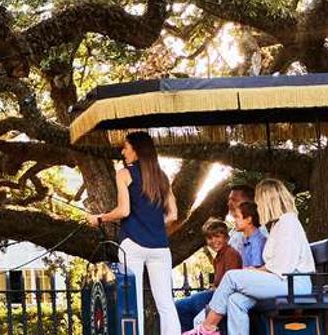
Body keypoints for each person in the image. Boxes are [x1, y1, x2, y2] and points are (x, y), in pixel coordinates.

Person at [188, 179, 314, 335]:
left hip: (294, 283)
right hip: (282, 280)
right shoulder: (277, 224)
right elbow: (274, 264)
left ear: (269, 200)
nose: (257, 206)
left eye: (259, 201)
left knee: (232, 277)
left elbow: (281, 268)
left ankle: (206, 328)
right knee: (236, 300)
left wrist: (250, 273)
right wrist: (252, 271)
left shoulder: (288, 222)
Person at [88, 131, 182, 335]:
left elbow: (124, 211)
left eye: (126, 148)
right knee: (166, 305)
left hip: (133, 244)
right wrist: (154, 223)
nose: (123, 152)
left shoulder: (124, 173)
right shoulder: (161, 176)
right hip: (160, 247)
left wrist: (100, 218)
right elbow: (173, 214)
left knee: (133, 303)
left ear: (137, 150)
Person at [176, 218, 243, 331]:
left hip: (223, 296)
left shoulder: (231, 254)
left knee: (191, 306)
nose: (213, 241)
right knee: (180, 305)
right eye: (209, 238)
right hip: (215, 293)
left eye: (217, 236)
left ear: (226, 237)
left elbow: (231, 284)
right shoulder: (218, 257)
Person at [233, 198, 266, 268]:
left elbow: (255, 269)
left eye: (237, 217)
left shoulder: (258, 241)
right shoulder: (244, 240)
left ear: (249, 219)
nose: (234, 221)